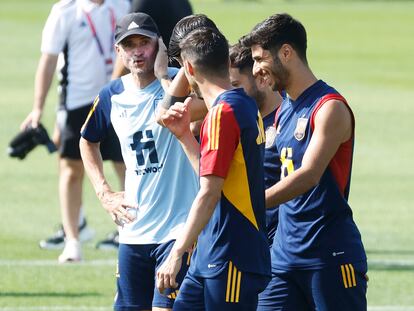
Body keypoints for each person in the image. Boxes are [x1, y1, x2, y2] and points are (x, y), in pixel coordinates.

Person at [241, 13, 368, 310]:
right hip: (283, 259)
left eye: (260, 59)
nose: (257, 70)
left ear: (286, 52)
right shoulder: (284, 108)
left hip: (330, 256)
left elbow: (309, 175)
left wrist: (251, 204)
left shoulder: (329, 108)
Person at [79, 12, 198, 311]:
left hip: (177, 231)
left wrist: (164, 75)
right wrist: (104, 192)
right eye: (128, 45)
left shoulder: (179, 82)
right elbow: (87, 140)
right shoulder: (111, 95)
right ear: (118, 51)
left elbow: (215, 102)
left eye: (143, 42)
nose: (137, 51)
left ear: (158, 44)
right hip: (133, 232)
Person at [156, 27, 271, 310]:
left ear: (189, 68)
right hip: (211, 251)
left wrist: (177, 252)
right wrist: (184, 136)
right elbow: (216, 177)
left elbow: (209, 192)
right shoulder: (240, 103)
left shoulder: (223, 113)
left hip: (231, 254)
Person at [20, 0, 130, 262]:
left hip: (117, 97)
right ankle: (73, 240)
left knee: (125, 165)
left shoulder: (122, 5)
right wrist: (37, 108)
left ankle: (128, 233)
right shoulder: (65, 11)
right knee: (71, 169)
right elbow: (48, 61)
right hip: (76, 101)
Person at [229, 42, 282, 247]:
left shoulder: (289, 119)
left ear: (260, 79)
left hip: (282, 244)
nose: (228, 95)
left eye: (234, 86)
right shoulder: (232, 119)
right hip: (245, 242)